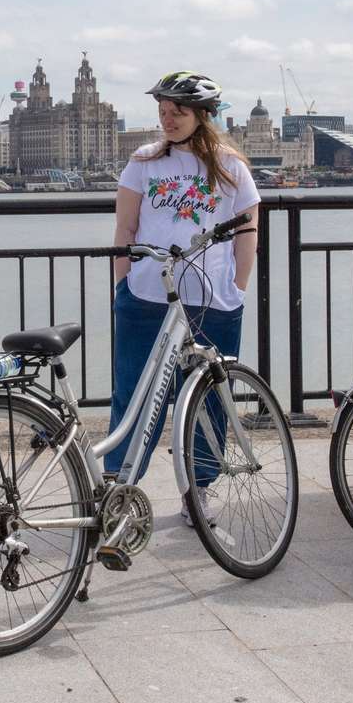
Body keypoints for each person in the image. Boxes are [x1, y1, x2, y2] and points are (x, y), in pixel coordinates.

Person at [109, 71, 260, 525]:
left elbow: (248, 228)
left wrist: (238, 286)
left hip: (212, 298)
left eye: (178, 111)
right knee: (133, 391)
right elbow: (125, 228)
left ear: (203, 115)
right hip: (148, 295)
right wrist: (124, 282)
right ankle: (119, 490)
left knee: (208, 399)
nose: (168, 119)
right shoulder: (143, 162)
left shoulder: (231, 166)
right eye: (163, 112)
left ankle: (199, 491)